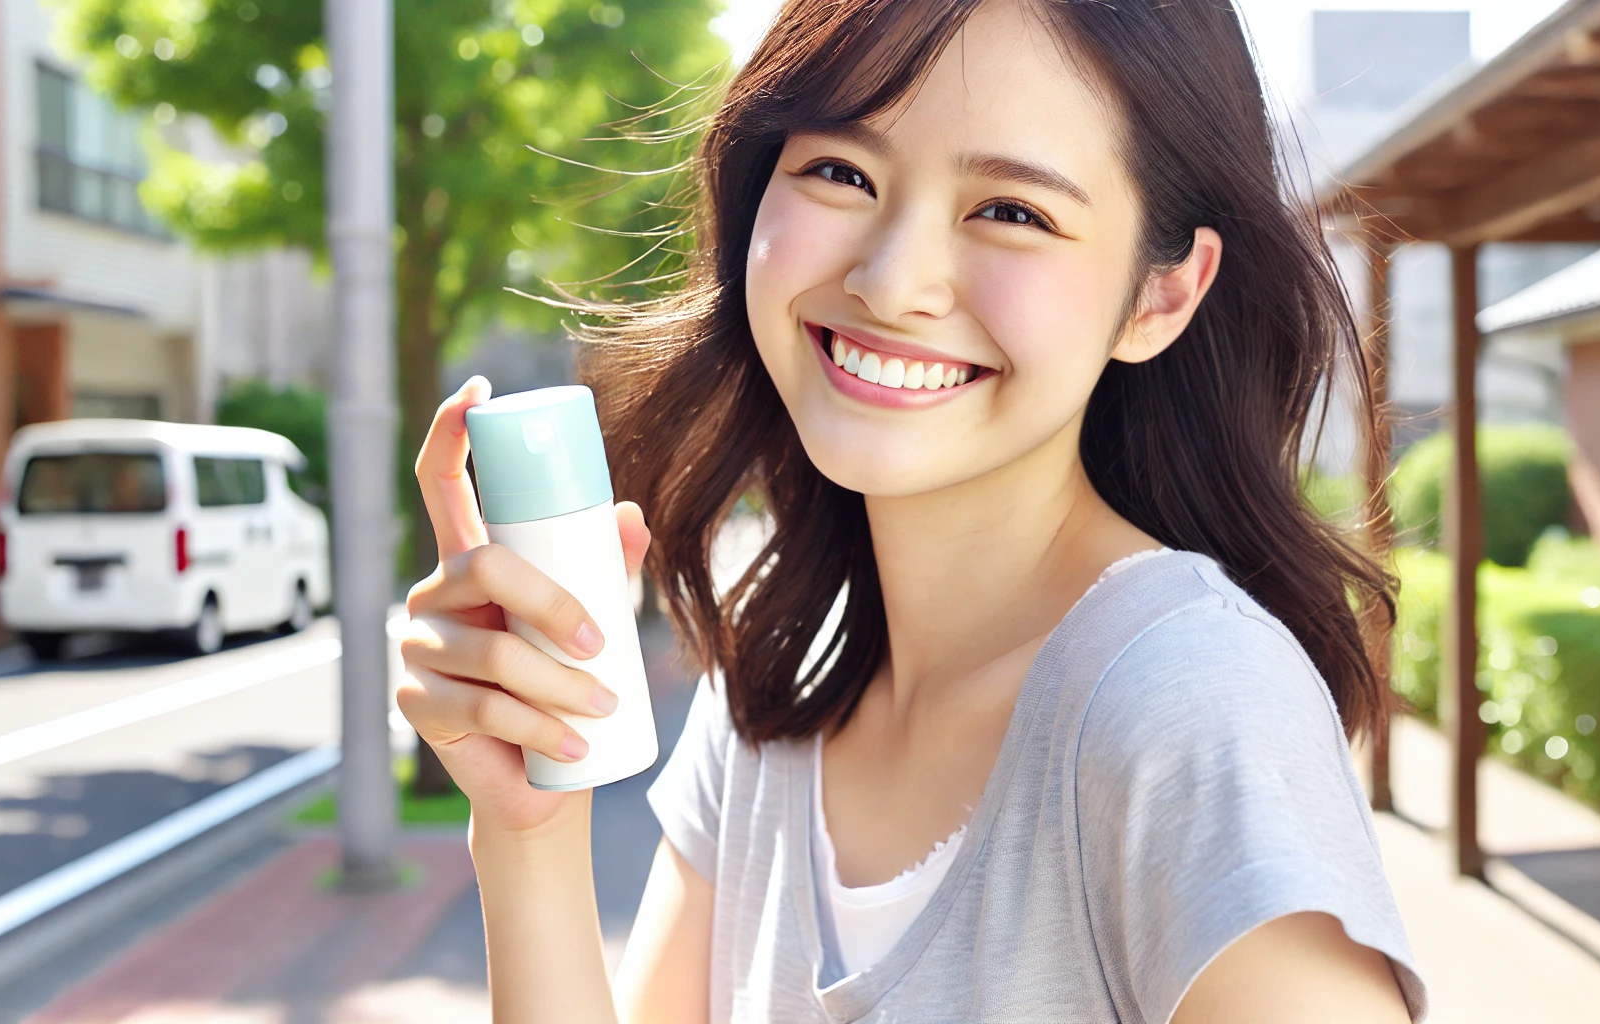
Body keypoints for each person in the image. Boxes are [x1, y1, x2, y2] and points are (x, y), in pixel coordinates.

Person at [396, 1, 1427, 1021]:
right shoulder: (779, 675)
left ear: (1161, 294)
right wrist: (527, 835)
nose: (892, 284)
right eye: (841, 172)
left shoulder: (1193, 707)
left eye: (1011, 211)